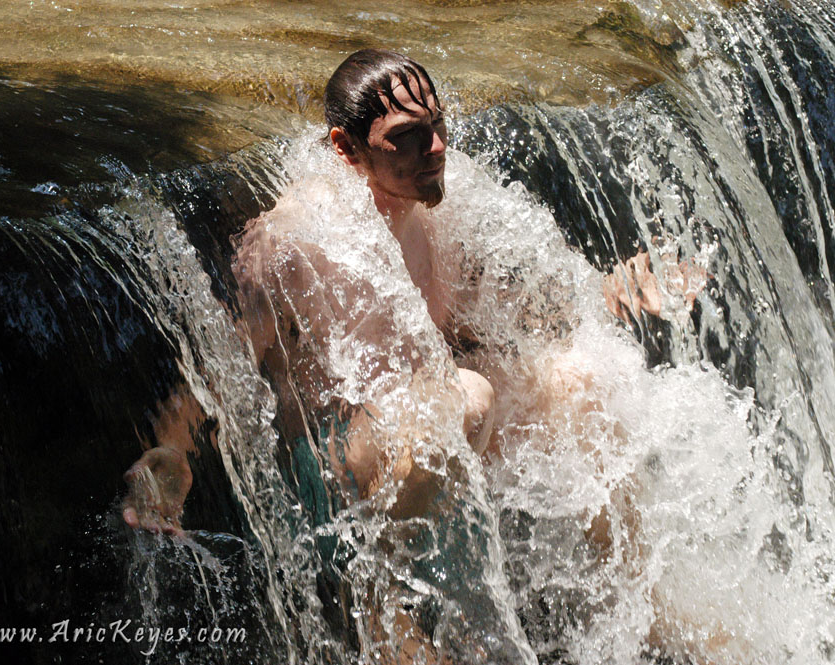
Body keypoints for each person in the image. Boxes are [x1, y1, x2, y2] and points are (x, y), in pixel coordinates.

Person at [120, 48, 710, 662]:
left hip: (433, 437)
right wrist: (170, 453)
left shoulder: (440, 211)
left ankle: (646, 612)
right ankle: (376, 605)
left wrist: (612, 291)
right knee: (465, 398)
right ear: (346, 149)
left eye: (437, 125)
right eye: (406, 137)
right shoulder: (293, 241)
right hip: (335, 477)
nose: (435, 149)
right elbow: (220, 366)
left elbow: (510, 324)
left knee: (576, 380)